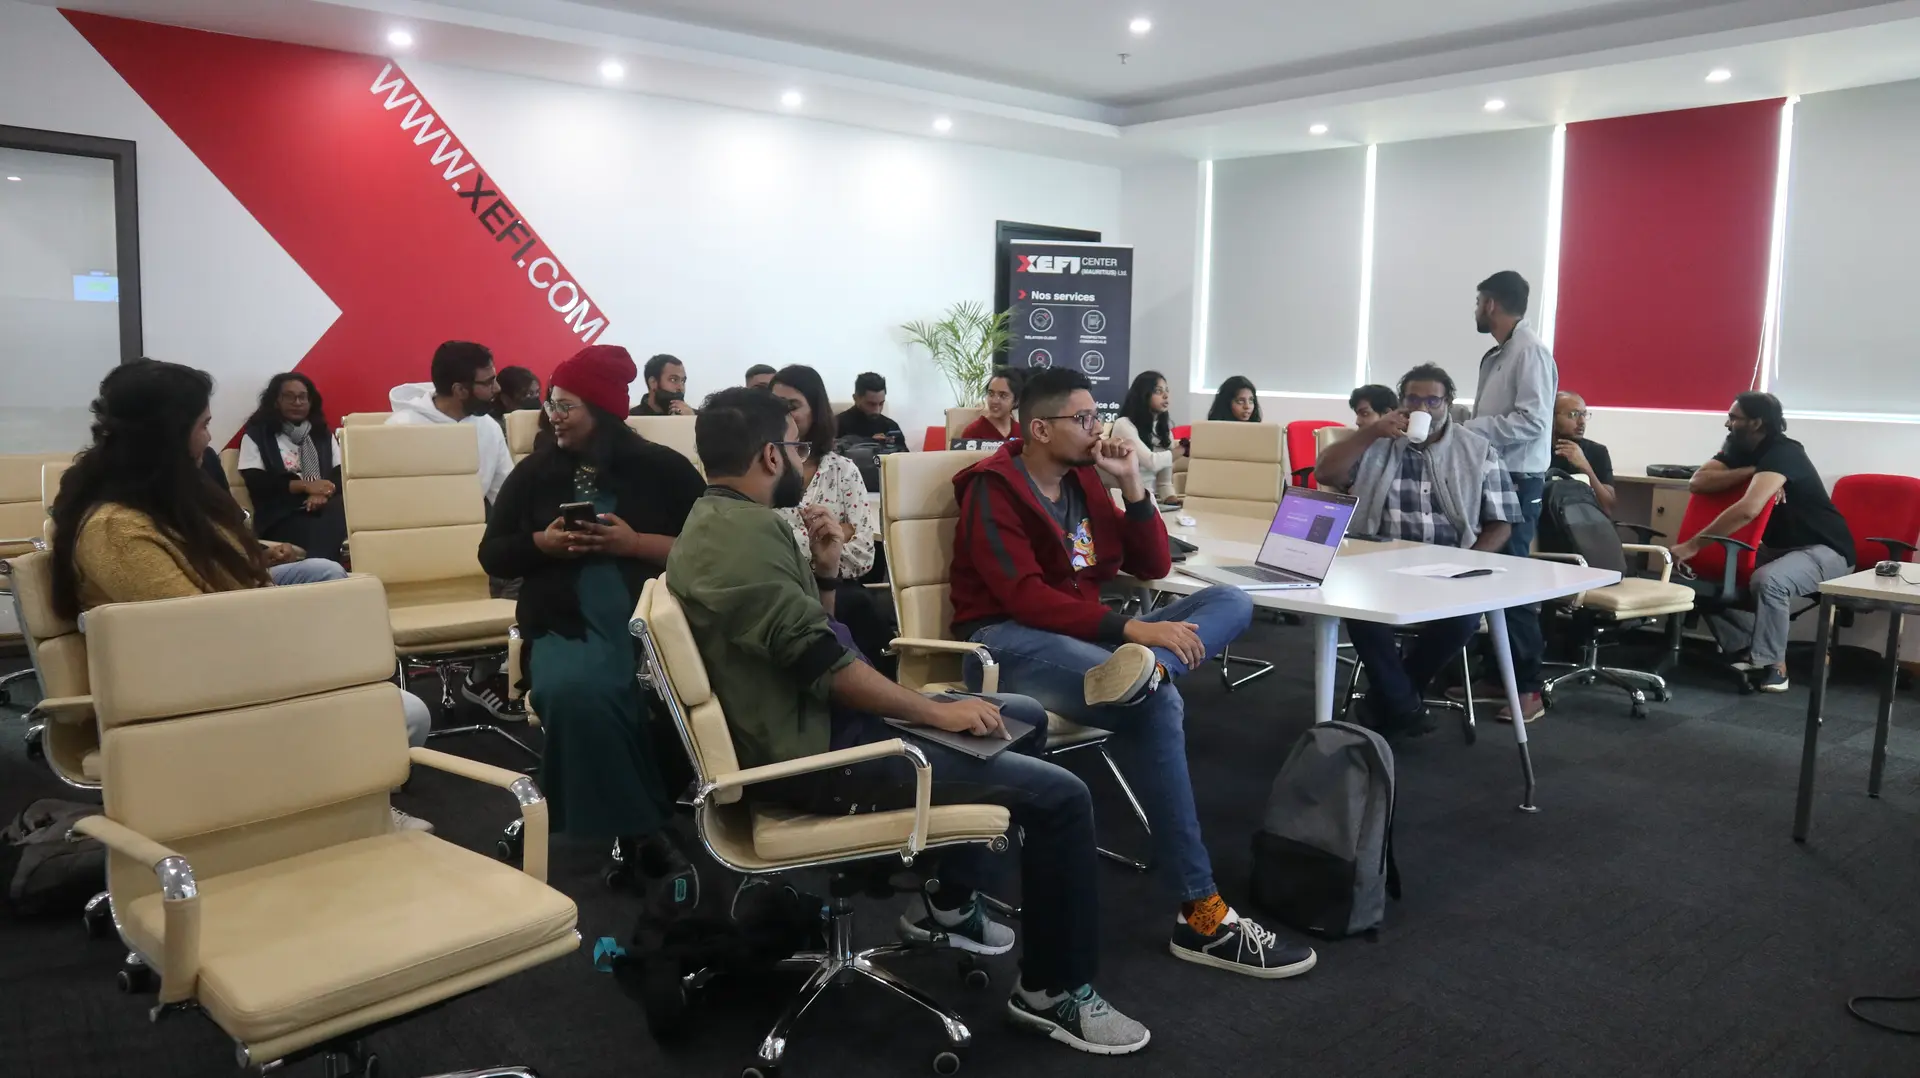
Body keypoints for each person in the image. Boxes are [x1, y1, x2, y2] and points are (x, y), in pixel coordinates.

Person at [669, 387, 1150, 1055]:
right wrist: (931, 710)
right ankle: (1053, 991)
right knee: (1063, 797)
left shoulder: (719, 523)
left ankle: (947, 903)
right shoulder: (745, 541)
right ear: (771, 455)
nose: (803, 461)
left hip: (811, 727)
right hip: (821, 761)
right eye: (798, 448)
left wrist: (826, 574)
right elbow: (827, 666)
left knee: (1019, 715)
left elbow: (802, 644)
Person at [949, 366, 1316, 979]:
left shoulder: (1084, 482)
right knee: (1158, 703)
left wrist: (1132, 487)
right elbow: (1024, 598)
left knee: (1232, 600)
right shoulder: (994, 489)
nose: (1098, 429)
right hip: (1004, 642)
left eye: (1097, 416)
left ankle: (1146, 673)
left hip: (1084, 639)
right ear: (1040, 429)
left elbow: (1151, 563)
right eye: (1084, 419)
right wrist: (1133, 631)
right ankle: (1201, 914)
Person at [50, 360, 433, 826]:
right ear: (168, 434)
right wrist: (305, 660)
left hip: (227, 661)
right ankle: (337, 815)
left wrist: (270, 586)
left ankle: (343, 808)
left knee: (331, 587)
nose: (209, 438)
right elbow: (200, 631)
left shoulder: (166, 494)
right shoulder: (117, 528)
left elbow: (222, 574)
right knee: (404, 713)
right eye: (203, 425)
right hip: (193, 692)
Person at [480, 344, 704, 848]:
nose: (553, 416)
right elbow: (493, 555)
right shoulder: (534, 473)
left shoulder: (663, 468)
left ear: (601, 409)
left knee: (662, 696)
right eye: (550, 404)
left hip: (656, 623)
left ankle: (635, 823)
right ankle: (643, 831)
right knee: (577, 694)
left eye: (566, 405)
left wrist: (635, 544)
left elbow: (709, 550)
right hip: (563, 624)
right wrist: (542, 544)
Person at [1314, 364, 1521, 736]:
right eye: (1413, 399)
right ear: (1401, 403)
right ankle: (1405, 705)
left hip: (1449, 567)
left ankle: (1391, 701)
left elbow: (1502, 521)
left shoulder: (1477, 450)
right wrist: (1371, 432)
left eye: (1432, 401)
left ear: (1448, 404)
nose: (1422, 408)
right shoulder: (1376, 442)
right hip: (1378, 566)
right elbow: (1326, 474)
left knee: (1462, 618)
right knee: (1359, 610)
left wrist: (1467, 562)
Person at [1675, 392, 1853, 693]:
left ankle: (1775, 666)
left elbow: (1748, 509)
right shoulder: (1739, 448)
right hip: (1776, 550)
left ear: (1756, 422)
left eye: (1734, 418)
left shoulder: (1785, 452)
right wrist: (1754, 473)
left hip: (1826, 549)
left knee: (1770, 581)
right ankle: (1747, 649)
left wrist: (1693, 544)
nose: (1727, 423)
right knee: (1710, 573)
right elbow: (1698, 482)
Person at [1458, 270, 1557, 723]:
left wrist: (1471, 429)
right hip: (1492, 474)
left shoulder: (1529, 352)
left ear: (1491, 304)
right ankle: (1499, 677)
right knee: (1485, 576)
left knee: (1510, 579)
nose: (1476, 310)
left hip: (1518, 479)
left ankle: (1529, 687)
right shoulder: (1499, 354)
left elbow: (1533, 422)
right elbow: (1498, 415)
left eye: (1478, 302)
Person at [387, 340, 513, 506]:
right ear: (459, 390)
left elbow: (507, 498)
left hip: (472, 520)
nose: (497, 388)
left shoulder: (489, 428)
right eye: (489, 382)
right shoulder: (399, 429)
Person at [237, 372, 347, 563]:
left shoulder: (322, 434)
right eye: (289, 397)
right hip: (281, 518)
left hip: (326, 508)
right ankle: (320, 571)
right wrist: (305, 486)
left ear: (310, 401)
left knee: (341, 508)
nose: (297, 402)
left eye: (302, 397)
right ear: (276, 401)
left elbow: (340, 474)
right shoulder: (257, 435)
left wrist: (322, 493)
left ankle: (319, 569)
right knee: (328, 527)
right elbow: (257, 482)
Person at [1111, 370, 1178, 502]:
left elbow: (1164, 484)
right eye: (1158, 391)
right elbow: (1151, 462)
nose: (1165, 396)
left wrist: (1172, 500)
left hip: (1149, 498)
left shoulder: (1164, 431)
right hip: (1123, 498)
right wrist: (1179, 452)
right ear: (1143, 395)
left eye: (1167, 391)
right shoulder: (1124, 424)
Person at [1550, 391, 1615, 517]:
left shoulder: (1597, 451)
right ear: (1552, 417)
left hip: (1583, 523)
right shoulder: (1538, 453)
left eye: (1584, 414)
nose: (1582, 422)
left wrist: (1585, 467)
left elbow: (1607, 508)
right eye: (1573, 414)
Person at [837, 372, 905, 447]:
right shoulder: (836, 425)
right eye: (871, 404)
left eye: (881, 404)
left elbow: (904, 453)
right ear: (856, 398)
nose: (877, 410)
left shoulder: (891, 427)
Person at [961, 367, 1027, 441]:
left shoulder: (1022, 433)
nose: (994, 401)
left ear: (1016, 400)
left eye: (1003, 395)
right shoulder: (973, 433)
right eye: (991, 394)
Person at [630, 353, 694, 416]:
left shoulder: (694, 416)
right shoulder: (630, 418)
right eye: (673, 379)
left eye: (683, 381)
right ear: (653, 382)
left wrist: (691, 420)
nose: (681, 388)